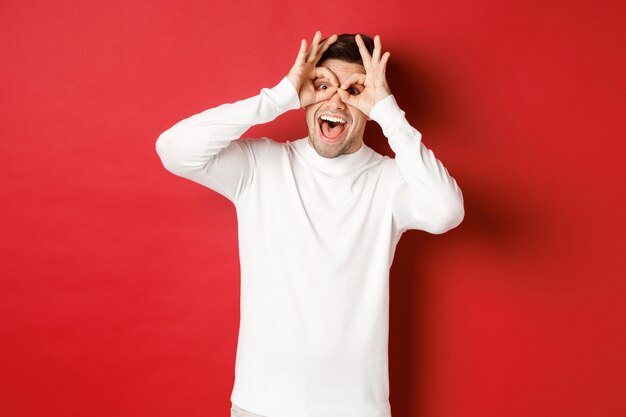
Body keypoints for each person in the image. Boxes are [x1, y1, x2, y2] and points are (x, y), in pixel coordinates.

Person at [156, 30, 464, 417]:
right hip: (260, 405)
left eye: (353, 92)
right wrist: (278, 97)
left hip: (357, 409)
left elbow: (446, 211)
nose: (334, 100)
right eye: (322, 85)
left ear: (369, 105)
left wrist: (387, 110)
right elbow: (174, 149)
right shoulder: (260, 166)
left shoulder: (391, 181)